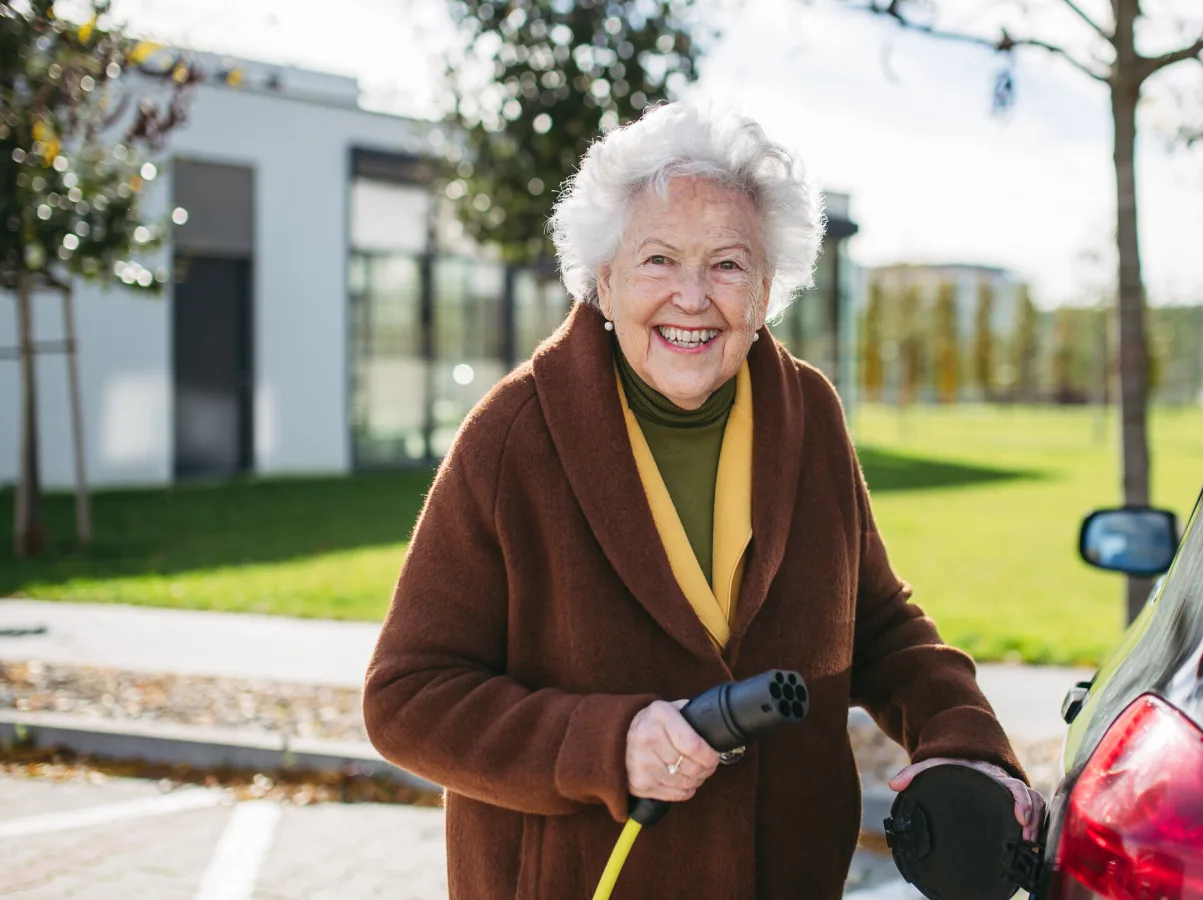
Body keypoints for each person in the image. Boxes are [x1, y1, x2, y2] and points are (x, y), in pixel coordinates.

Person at [363, 101, 1041, 899]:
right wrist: (606, 745)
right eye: (658, 260)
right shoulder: (515, 437)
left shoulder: (809, 414)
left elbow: (880, 625)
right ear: (605, 280)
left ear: (764, 293)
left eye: (727, 264)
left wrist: (964, 738)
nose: (693, 297)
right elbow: (406, 697)